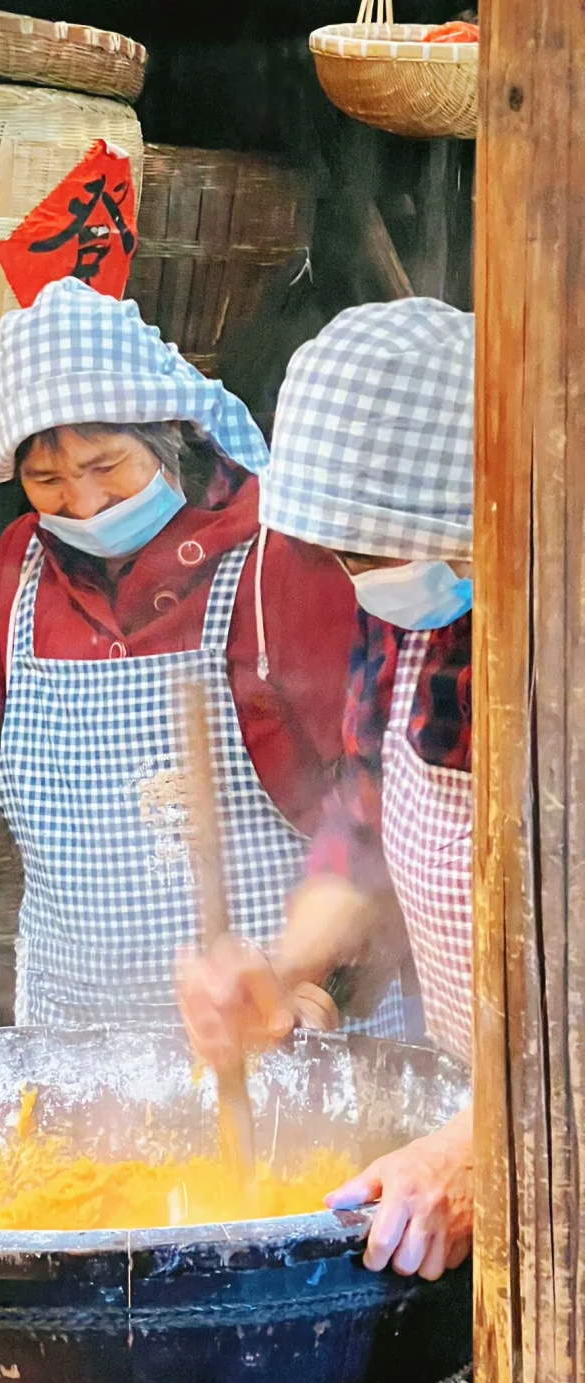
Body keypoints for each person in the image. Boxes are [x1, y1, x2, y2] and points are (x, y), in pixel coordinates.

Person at [0, 277, 405, 1033]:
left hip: (278, 1032)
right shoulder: (19, 571)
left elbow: (374, 795)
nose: (83, 504)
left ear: (169, 441)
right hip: (77, 1036)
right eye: (47, 480)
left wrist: (323, 988)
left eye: (105, 468)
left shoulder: (276, 559)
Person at [180, 297, 475, 1284]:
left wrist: (486, 1148)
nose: (361, 581)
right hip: (496, 1113)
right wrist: (281, 964)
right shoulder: (417, 621)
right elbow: (365, 829)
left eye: (376, 552)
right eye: (344, 554)